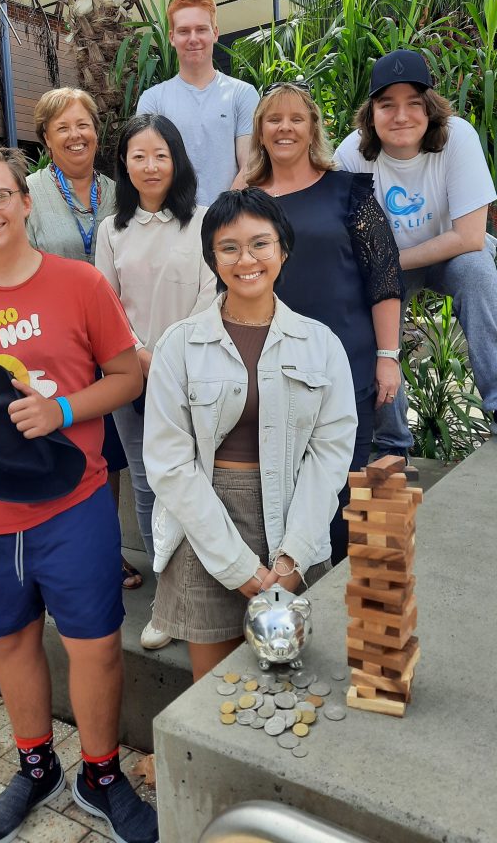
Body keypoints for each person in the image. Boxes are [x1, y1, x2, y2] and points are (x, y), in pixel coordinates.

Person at [0, 144, 158, 843]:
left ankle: (100, 774)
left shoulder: (79, 284)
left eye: (0, 195)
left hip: (72, 502)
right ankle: (35, 769)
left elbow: (127, 375)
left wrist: (62, 412)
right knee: (12, 643)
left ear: (26, 203)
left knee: (97, 647)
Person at [142, 188, 358, 681]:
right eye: (229, 247)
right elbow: (169, 463)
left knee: (290, 683)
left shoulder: (321, 344)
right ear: (212, 259)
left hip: (293, 515)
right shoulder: (180, 345)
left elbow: (329, 455)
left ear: (283, 248)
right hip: (205, 522)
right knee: (213, 690)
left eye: (261, 244)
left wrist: (293, 555)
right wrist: (239, 566)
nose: (247, 260)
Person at [238, 82, 404, 562]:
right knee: (284, 494)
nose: (285, 127)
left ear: (313, 128)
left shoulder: (348, 191)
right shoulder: (245, 200)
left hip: (347, 365)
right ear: (260, 131)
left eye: (296, 118)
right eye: (274, 119)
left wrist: (388, 358)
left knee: (344, 491)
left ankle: (348, 599)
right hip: (272, 370)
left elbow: (384, 278)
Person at [335, 49, 497, 452]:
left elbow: (471, 237)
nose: (401, 116)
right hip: (389, 268)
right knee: (361, 307)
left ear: (431, 108)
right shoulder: (351, 155)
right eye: (387, 105)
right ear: (371, 113)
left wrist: (387, 263)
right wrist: (382, 273)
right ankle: (391, 441)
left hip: (450, 256)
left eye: (413, 103)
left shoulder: (457, 138)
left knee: (479, 271)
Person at [96, 113, 216, 650]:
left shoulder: (205, 221)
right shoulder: (111, 229)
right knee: (148, 485)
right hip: (131, 376)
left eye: (160, 155)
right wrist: (141, 356)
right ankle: (169, 605)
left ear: (177, 160)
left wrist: (168, 356)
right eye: (138, 155)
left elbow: (215, 294)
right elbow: (104, 304)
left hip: (197, 373)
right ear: (124, 163)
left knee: (205, 480)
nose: (150, 166)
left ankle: (213, 588)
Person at [28, 87, 140, 589]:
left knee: (109, 450)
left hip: (114, 340)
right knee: (60, 442)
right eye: (63, 128)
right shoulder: (28, 193)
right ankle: (54, 550)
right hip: (54, 341)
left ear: (97, 133)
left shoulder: (120, 192)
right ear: (47, 139)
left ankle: (105, 550)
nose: (76, 136)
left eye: (84, 125)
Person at [136, 0, 259, 205]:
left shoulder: (242, 94)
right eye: (184, 31)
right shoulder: (152, 100)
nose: (193, 39)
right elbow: (148, 168)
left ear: (215, 33)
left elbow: (249, 166)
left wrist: (221, 217)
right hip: (171, 224)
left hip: (227, 222)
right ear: (172, 37)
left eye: (201, 29)